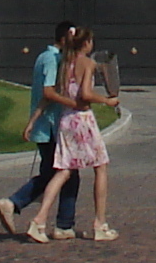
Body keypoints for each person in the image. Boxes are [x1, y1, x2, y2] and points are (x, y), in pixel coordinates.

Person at [28, 26, 119, 242]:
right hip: (82, 119)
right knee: (100, 166)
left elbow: (51, 94)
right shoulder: (88, 63)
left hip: (65, 120)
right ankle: (100, 223)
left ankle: (39, 220)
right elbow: (85, 94)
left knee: (63, 170)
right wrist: (107, 101)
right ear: (86, 43)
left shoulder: (64, 64)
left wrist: (33, 120)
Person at [0, 22, 82, 238]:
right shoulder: (52, 60)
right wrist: (73, 104)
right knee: (63, 173)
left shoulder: (46, 57)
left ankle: (62, 223)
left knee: (56, 173)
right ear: (63, 39)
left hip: (46, 125)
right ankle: (19, 204)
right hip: (51, 126)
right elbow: (48, 92)